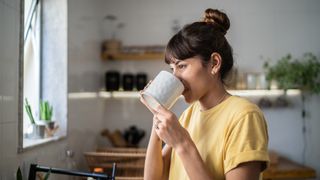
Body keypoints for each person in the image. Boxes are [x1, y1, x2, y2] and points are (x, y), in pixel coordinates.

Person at [140, 8, 269, 180]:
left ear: (214, 64)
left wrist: (182, 143)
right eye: (172, 69)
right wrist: (157, 115)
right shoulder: (188, 116)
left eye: (182, 66)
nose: (175, 77)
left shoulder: (244, 116)